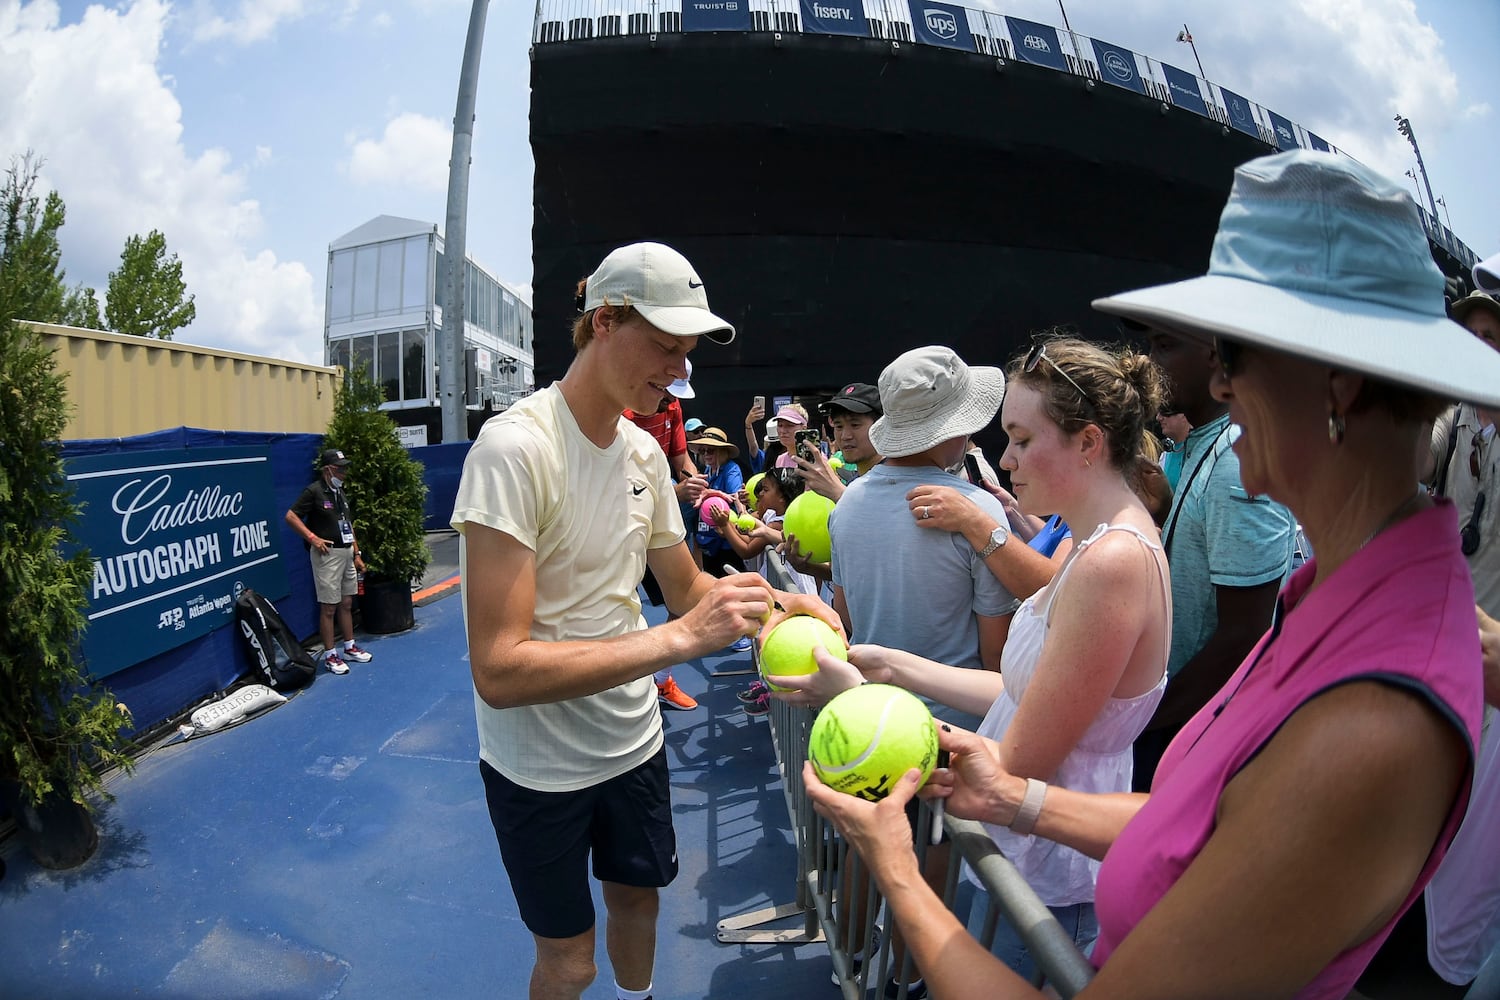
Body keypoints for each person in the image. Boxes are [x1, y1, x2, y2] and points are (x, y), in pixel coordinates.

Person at [804, 150, 1489, 1000]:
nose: (1217, 385)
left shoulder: (1371, 722)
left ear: (1337, 387)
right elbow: (1202, 830)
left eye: (1233, 355)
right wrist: (1018, 802)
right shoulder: (1344, 598)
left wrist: (896, 868)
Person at [451, 241, 835, 1000]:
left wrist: (780, 605)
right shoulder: (513, 450)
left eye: (686, 353)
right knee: (569, 964)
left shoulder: (644, 455)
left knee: (639, 905)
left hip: (633, 745)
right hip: (539, 771)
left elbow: (688, 587)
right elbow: (498, 669)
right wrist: (679, 640)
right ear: (603, 321)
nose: (678, 370)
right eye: (664, 345)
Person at [785, 336, 1172, 983]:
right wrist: (891, 669)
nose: (1002, 458)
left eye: (1021, 439)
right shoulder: (1094, 547)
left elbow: (1016, 762)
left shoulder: (1110, 563)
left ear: (1088, 443)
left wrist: (859, 687)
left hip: (1051, 883)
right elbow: (1018, 691)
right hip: (1026, 865)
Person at [1132, 324, 1296, 791]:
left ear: (1213, 356)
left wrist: (1144, 724)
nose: (1150, 363)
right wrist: (1166, 513)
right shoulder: (1206, 445)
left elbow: (1245, 634)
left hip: (1192, 733)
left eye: (1164, 345)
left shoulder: (1233, 462)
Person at [625, 358, 707, 711]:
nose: (667, 399)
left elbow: (680, 458)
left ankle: (660, 681)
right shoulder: (621, 418)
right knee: (619, 608)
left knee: (681, 601)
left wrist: (695, 480)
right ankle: (628, 682)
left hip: (658, 522)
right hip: (624, 527)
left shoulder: (672, 404)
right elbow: (626, 494)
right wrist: (674, 493)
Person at [284, 447, 374, 674]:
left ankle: (350, 647)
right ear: (328, 469)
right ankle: (330, 655)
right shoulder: (314, 491)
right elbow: (291, 516)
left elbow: (348, 526)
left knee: (346, 603)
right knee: (329, 607)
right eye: (340, 469)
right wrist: (313, 538)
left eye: (345, 469)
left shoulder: (340, 493)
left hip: (346, 554)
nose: (344, 473)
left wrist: (357, 553)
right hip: (327, 556)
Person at [792, 382, 883, 502]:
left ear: (880, 426)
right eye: (839, 426)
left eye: (855, 425)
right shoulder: (854, 481)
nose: (845, 436)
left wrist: (838, 493)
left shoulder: (900, 481)